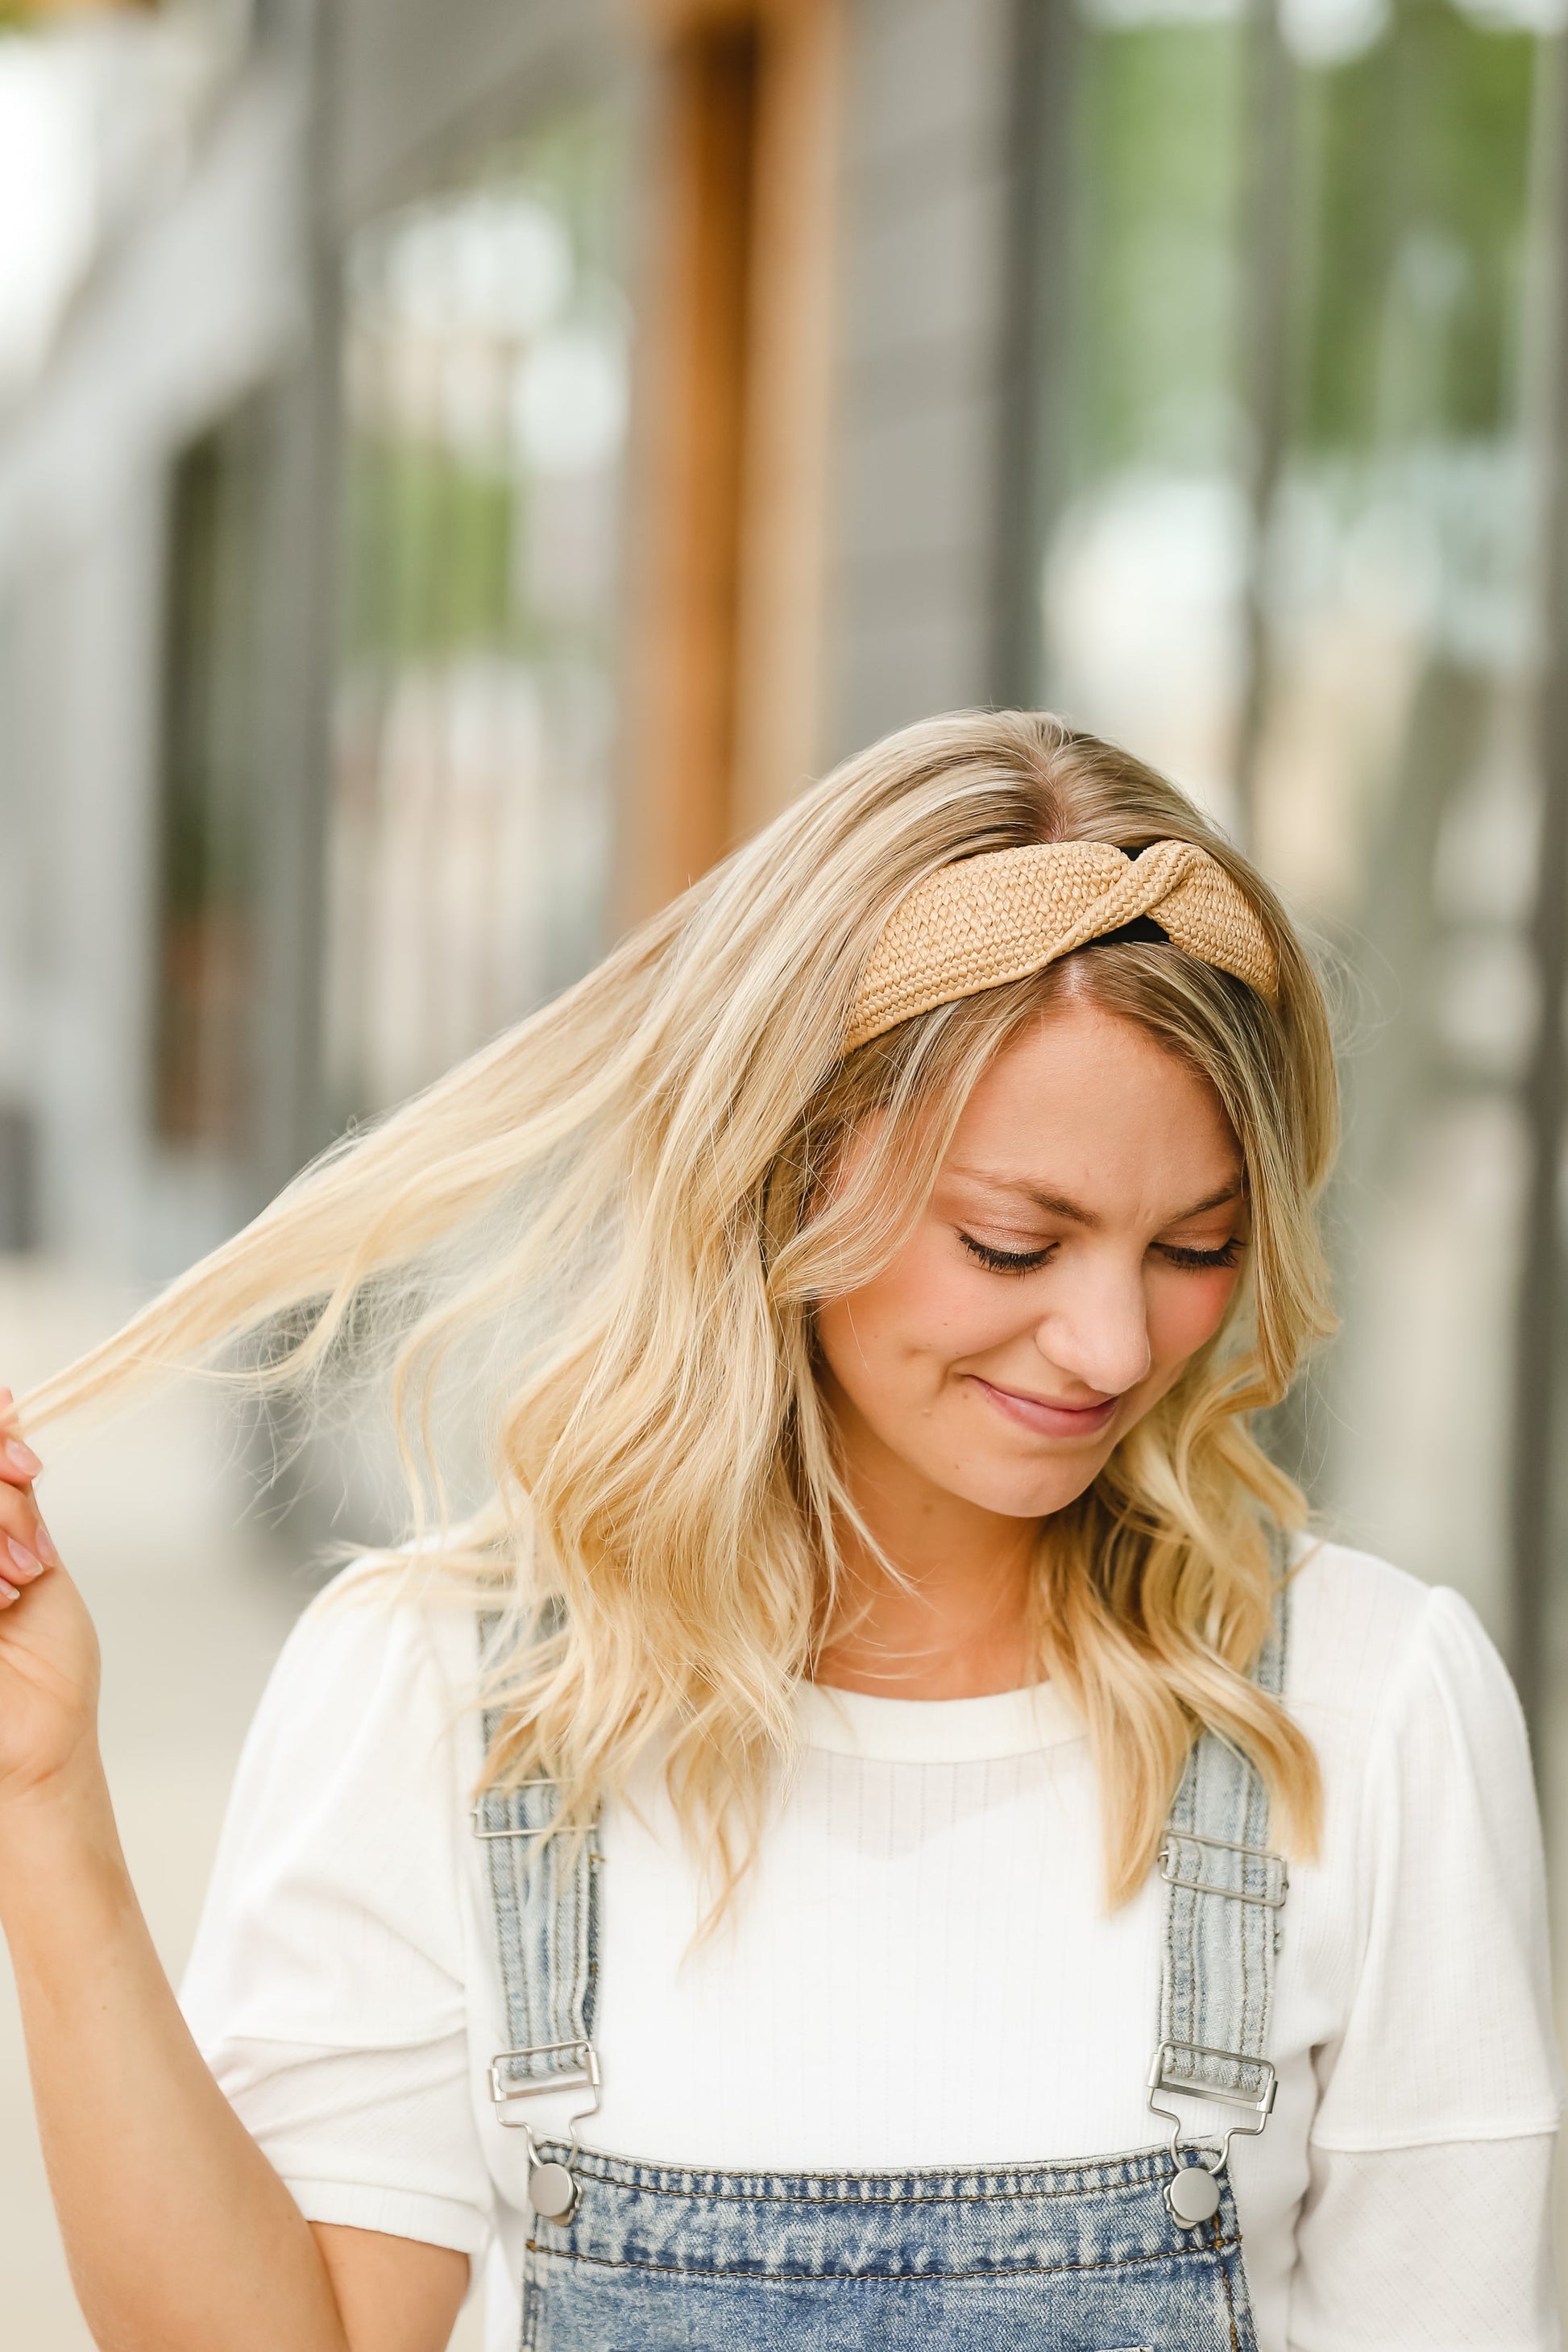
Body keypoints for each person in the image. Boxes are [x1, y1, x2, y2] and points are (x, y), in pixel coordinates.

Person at [0, 710, 1558, 2352]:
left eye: (1193, 1242)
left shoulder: (1372, 1709)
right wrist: (42, 1805)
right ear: (790, 1163)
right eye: (1015, 1241)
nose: (1111, 1343)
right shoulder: (443, 1692)